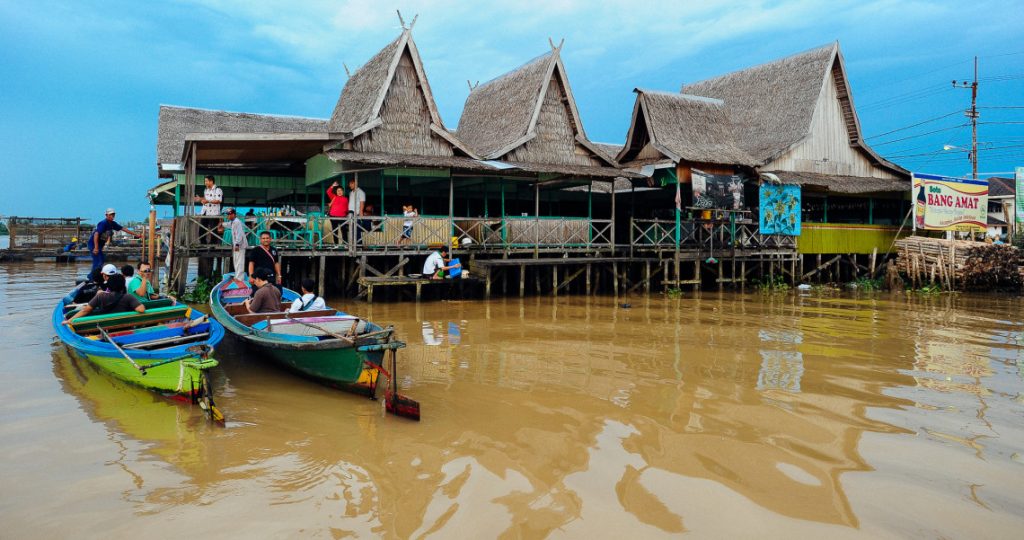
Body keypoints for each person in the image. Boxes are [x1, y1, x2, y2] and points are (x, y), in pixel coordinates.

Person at [64, 275, 145, 325]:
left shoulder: (101, 296)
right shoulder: (128, 297)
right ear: (123, 285)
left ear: (109, 285)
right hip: (123, 326)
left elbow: (85, 310)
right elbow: (141, 309)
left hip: (104, 327)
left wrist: (70, 320)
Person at [88, 209, 141, 273]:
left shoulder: (112, 224)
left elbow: (123, 229)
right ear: (106, 215)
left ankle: (94, 275)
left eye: (113, 215)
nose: (112, 216)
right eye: (110, 215)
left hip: (100, 244)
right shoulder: (103, 223)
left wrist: (136, 234)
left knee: (101, 260)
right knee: (99, 260)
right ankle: (93, 277)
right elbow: (96, 234)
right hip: (93, 244)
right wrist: (96, 247)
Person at [194, 175, 223, 244]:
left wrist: (208, 201)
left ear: (211, 181)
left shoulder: (218, 190)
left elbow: (218, 200)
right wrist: (200, 199)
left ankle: (213, 245)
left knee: (213, 231)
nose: (205, 183)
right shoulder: (206, 190)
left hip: (214, 213)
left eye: (206, 181)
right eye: (205, 181)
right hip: (205, 212)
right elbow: (205, 200)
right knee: (202, 230)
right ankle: (203, 244)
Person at [224, 208, 248, 279]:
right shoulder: (233, 222)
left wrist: (237, 244)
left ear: (233, 214)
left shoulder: (237, 222)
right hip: (236, 244)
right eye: (227, 215)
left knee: (239, 261)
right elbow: (229, 225)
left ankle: (239, 278)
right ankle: (237, 276)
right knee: (236, 260)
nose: (228, 216)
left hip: (239, 245)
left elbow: (239, 234)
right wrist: (222, 224)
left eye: (229, 214)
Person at [348, 177, 367, 244]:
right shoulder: (351, 193)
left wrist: (361, 214)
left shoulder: (361, 192)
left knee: (356, 230)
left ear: (356, 183)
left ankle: (359, 245)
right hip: (350, 214)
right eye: (349, 183)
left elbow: (362, 203)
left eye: (352, 183)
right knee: (352, 230)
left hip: (357, 214)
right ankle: (354, 245)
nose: (350, 185)